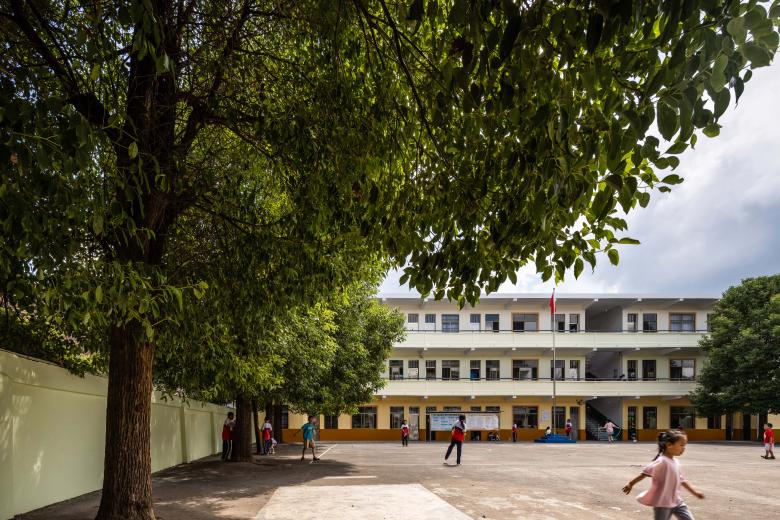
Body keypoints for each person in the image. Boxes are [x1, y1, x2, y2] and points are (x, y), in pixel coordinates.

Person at [623, 430, 704, 520]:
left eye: (684, 445)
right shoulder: (661, 462)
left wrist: (695, 492)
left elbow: (682, 480)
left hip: (677, 501)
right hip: (662, 503)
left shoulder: (676, 462)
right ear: (669, 445)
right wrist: (630, 484)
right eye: (681, 445)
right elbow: (644, 474)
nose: (684, 448)